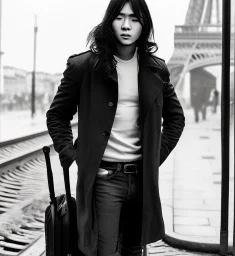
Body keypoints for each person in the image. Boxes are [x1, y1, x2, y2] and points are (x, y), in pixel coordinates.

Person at [46, 0, 185, 255]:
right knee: (104, 251)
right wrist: (72, 154)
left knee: (134, 249)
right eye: (119, 17)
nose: (126, 25)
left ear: (144, 25)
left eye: (134, 19)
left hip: (142, 180)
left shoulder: (156, 68)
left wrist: (156, 156)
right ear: (109, 20)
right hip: (104, 180)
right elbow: (57, 115)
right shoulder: (83, 67)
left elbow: (176, 118)